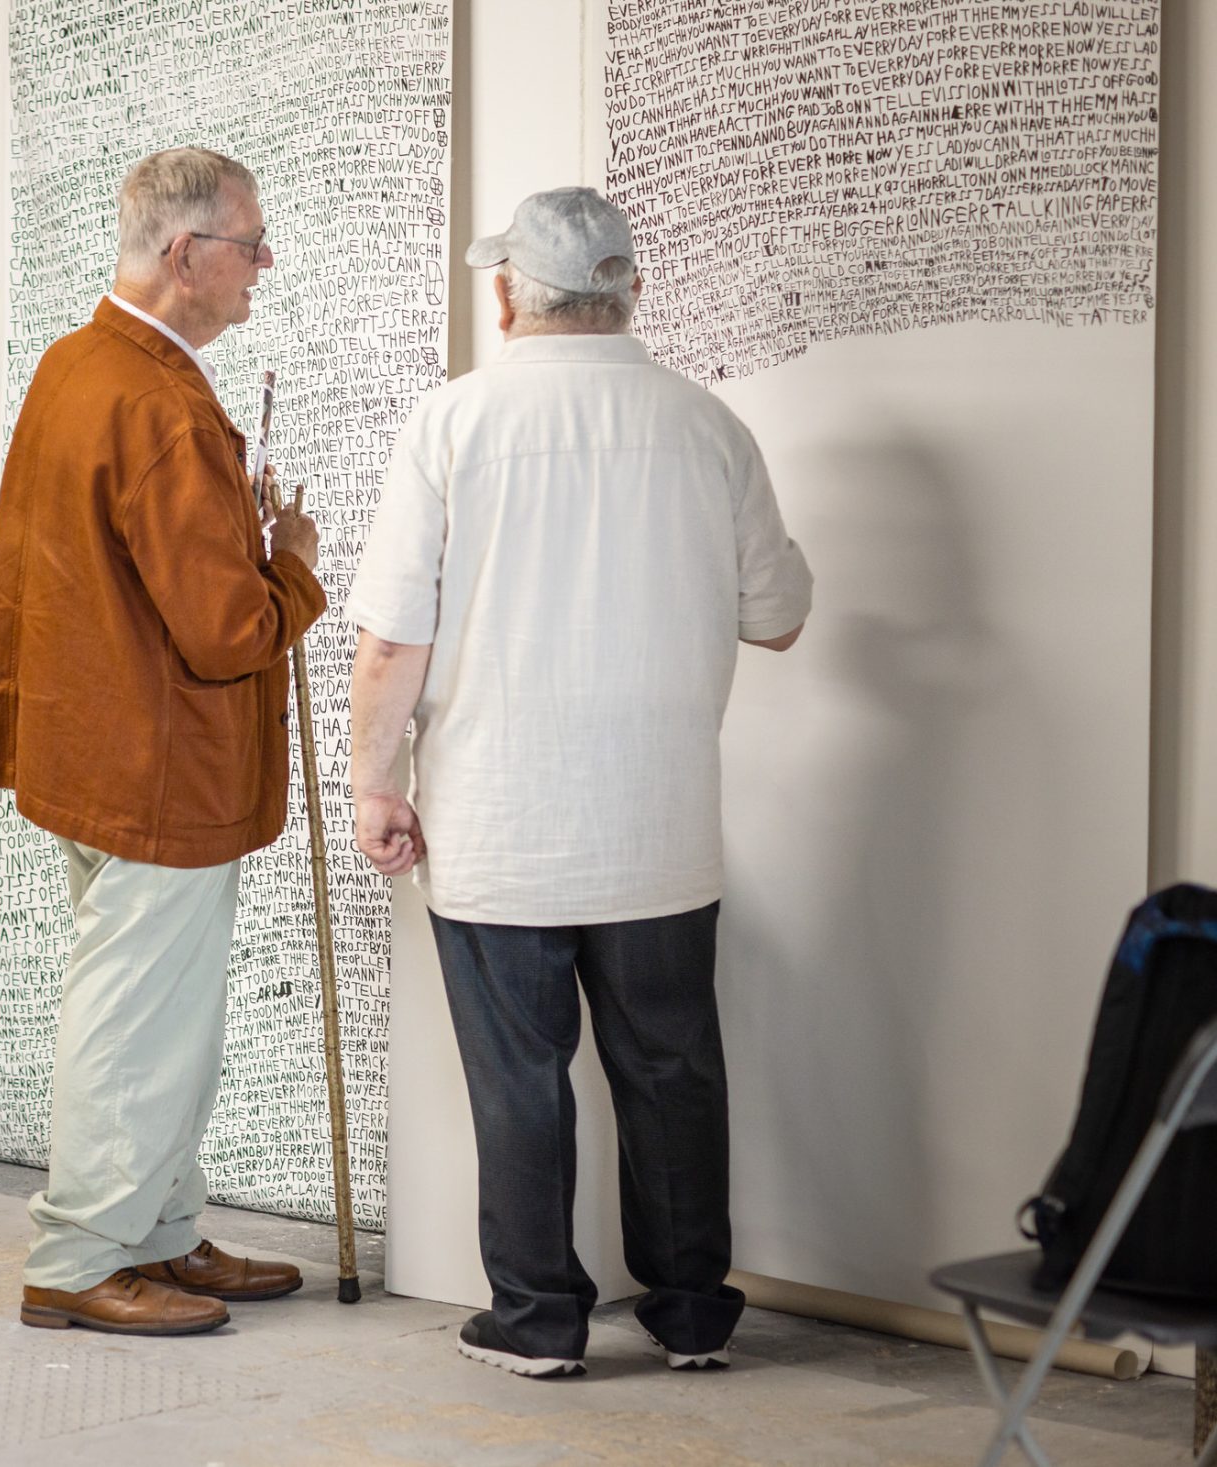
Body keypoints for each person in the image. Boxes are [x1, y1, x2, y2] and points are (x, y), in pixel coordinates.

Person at [347, 187, 813, 1379]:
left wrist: (373, 782)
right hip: (658, 821)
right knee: (671, 1069)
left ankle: (539, 1321)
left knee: (519, 1077)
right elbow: (778, 616)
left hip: (499, 820)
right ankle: (692, 1311)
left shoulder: (451, 423)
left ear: (507, 296)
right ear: (630, 292)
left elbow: (392, 639)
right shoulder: (707, 426)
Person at [0, 146, 325, 1337]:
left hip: (93, 749)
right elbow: (227, 632)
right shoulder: (159, 402)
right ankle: (78, 1259)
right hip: (159, 768)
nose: (263, 265)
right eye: (250, 245)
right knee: (135, 1024)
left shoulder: (78, 364)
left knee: (162, 1020)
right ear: (185, 254)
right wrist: (291, 566)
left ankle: (159, 1234)